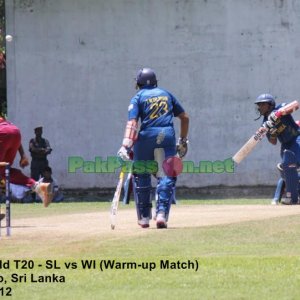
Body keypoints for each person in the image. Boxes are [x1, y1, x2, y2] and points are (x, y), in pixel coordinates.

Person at [118, 67, 189, 228]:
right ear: (155, 81)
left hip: (146, 137)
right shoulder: (167, 94)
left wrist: (125, 146)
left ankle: (144, 217)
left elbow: (133, 123)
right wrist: (183, 140)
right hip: (167, 135)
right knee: (166, 174)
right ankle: (162, 213)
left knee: (141, 174)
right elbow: (185, 117)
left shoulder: (137, 97)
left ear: (138, 83)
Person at [255, 93, 300, 205]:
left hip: (296, 139)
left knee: (288, 164)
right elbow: (273, 142)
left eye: (262, 104)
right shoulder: (265, 124)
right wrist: (272, 132)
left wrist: (278, 114)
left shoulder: (280, 107)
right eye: (259, 105)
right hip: (285, 145)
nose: (259, 107)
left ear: (270, 105)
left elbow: (296, 105)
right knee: (286, 169)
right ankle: (291, 197)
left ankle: (293, 198)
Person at [0, 115, 53, 207]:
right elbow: (10, 132)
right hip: (15, 132)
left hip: (3, 133)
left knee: (3, 170)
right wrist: (22, 155)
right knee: (4, 170)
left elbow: (5, 133)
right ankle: (38, 186)